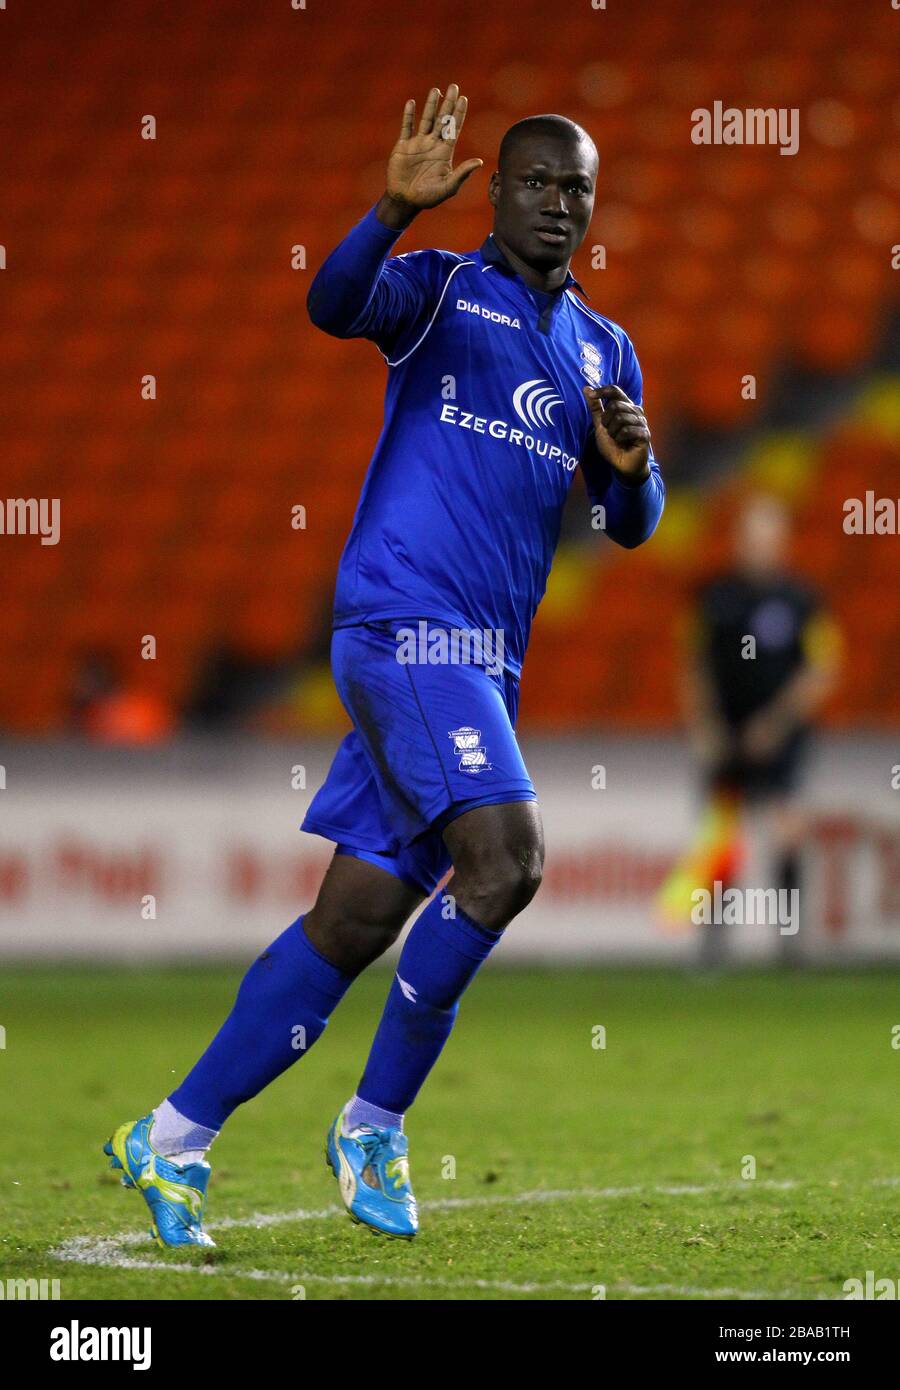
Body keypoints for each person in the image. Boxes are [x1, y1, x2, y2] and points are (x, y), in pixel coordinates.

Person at [104, 83, 664, 1246]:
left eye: (580, 190)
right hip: (406, 624)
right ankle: (371, 1125)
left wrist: (634, 469)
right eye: (538, 182)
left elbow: (629, 522)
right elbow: (331, 302)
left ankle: (168, 1137)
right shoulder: (446, 288)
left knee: (357, 918)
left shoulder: (607, 350)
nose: (560, 204)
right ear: (497, 190)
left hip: (480, 662)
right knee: (506, 861)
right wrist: (387, 211)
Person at [660, 493, 840, 966]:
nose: (758, 547)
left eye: (768, 538)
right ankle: (714, 946)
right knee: (721, 840)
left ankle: (790, 943)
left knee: (786, 830)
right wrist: (703, 726)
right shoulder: (712, 595)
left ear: (781, 543)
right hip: (727, 731)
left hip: (781, 734)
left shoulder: (802, 599)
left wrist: (777, 723)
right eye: (751, 537)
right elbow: (692, 665)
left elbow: (823, 670)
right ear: (738, 541)